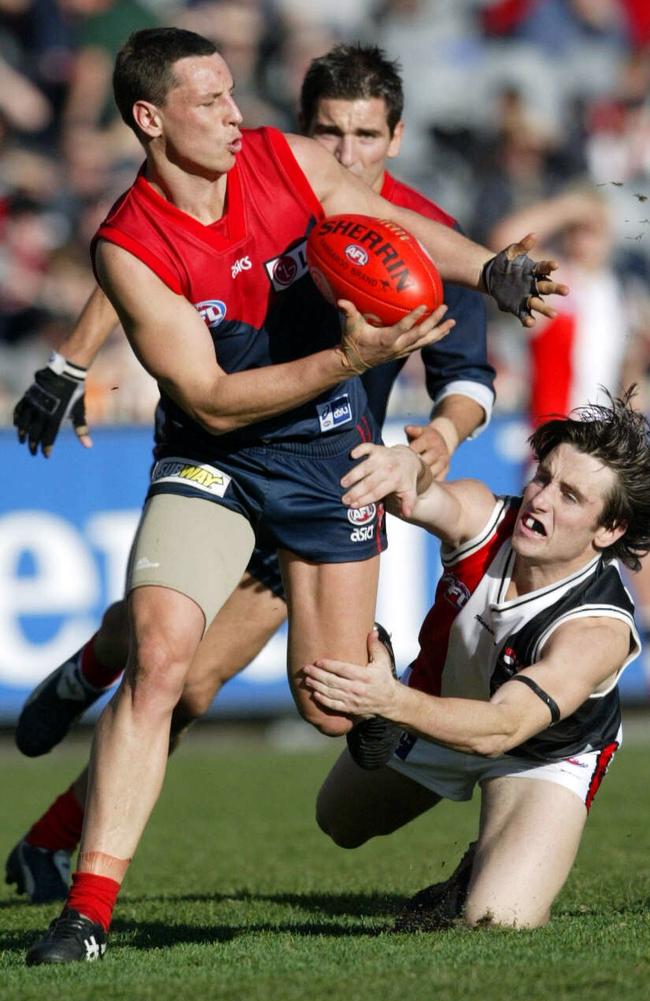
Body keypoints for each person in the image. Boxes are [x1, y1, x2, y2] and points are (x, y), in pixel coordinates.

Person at [19, 27, 565, 965]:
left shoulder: (323, 182)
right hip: (215, 451)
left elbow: (466, 381)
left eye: (363, 136)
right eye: (214, 102)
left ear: (393, 139)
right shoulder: (139, 232)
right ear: (151, 120)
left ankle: (93, 685)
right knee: (167, 661)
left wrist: (488, 280)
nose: (241, 116)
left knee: (326, 703)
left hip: (330, 459)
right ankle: (85, 906)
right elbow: (201, 375)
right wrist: (68, 361)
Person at [304, 390, 649, 930]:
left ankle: (476, 872)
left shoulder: (596, 630)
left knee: (498, 918)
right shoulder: (486, 518)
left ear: (610, 531)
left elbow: (502, 728)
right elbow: (423, 496)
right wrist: (404, 466)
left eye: (571, 497)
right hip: (435, 709)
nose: (540, 500)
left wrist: (388, 700)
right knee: (338, 821)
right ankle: (399, 739)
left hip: (540, 755)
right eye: (543, 478)